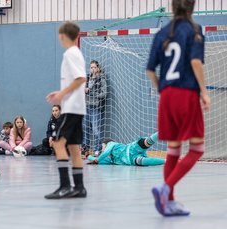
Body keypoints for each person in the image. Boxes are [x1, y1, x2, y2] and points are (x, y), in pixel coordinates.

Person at [146, 0, 209, 217]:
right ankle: (165, 189)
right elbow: (195, 63)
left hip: (166, 96)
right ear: (192, 7)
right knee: (197, 149)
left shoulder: (162, 32)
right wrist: (204, 92)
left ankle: (168, 202)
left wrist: (162, 91)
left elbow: (150, 70)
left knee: (173, 148)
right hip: (186, 93)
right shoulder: (194, 30)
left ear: (172, 7)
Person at [45, 21, 87, 199]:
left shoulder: (70, 53)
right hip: (78, 107)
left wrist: (61, 94)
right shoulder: (76, 53)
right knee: (74, 147)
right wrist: (62, 92)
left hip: (70, 108)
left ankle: (64, 186)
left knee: (58, 142)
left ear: (62, 36)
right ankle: (79, 187)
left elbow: (80, 78)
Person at [87, 132, 164, 166]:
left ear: (106, 144)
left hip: (131, 149)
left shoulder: (111, 144)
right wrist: (88, 156)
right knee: (142, 162)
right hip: (131, 160)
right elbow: (99, 161)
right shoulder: (111, 159)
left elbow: (104, 153)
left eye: (103, 146)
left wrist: (97, 159)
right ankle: (167, 161)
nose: (102, 148)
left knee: (146, 142)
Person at [83, 60, 107, 154]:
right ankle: (85, 149)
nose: (93, 69)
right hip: (86, 106)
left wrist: (92, 93)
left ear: (98, 68)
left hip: (96, 107)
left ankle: (98, 149)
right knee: (85, 129)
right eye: (91, 67)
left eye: (94, 67)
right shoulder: (87, 79)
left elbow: (104, 94)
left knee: (96, 129)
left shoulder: (101, 79)